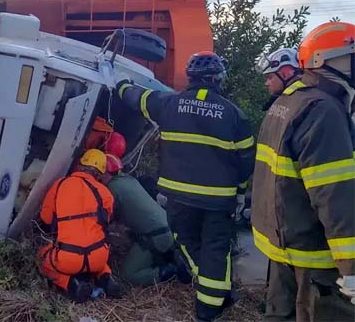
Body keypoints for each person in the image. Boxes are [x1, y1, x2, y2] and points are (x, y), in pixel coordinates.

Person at [115, 51, 256, 322]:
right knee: (216, 249)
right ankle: (210, 307)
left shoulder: (169, 103)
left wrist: (120, 83)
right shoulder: (234, 115)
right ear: (218, 79)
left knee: (187, 243)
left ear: (190, 77)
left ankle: (213, 297)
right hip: (219, 201)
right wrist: (240, 192)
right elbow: (246, 161)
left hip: (179, 198)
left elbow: (137, 98)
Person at [252, 22, 355, 322]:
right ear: (327, 60)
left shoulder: (288, 102)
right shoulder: (324, 110)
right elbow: (334, 194)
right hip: (315, 259)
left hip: (283, 247)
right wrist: (351, 269)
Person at [38, 149, 124, 303]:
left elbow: (46, 218)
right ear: (100, 174)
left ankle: (72, 285)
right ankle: (106, 277)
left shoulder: (60, 184)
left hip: (67, 259)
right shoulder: (105, 193)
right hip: (97, 257)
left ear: (79, 164)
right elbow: (105, 223)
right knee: (97, 252)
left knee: (42, 257)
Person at [102, 154, 190, 286]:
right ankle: (169, 256)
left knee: (128, 275)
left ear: (105, 173)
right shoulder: (129, 180)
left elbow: (105, 220)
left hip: (156, 236)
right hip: (168, 227)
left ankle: (168, 272)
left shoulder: (112, 190)